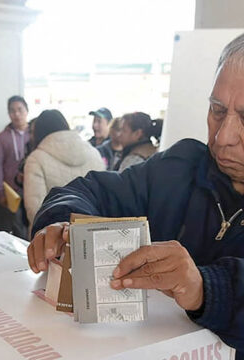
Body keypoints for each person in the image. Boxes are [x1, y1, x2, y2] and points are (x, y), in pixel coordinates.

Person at [27, 34, 244, 359]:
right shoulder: (179, 167)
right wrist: (61, 223)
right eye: (216, 110)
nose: (223, 136)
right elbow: (90, 191)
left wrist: (203, 288)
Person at [23, 110, 104, 229]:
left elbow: (34, 209)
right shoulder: (94, 153)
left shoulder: (36, 159)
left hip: (52, 241)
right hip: (93, 234)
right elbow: (103, 199)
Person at [0, 95, 30, 239]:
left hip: (32, 188)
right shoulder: (3, 137)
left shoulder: (33, 134)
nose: (17, 114)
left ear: (27, 110)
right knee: (17, 226)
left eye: (20, 109)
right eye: (12, 111)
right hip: (12, 192)